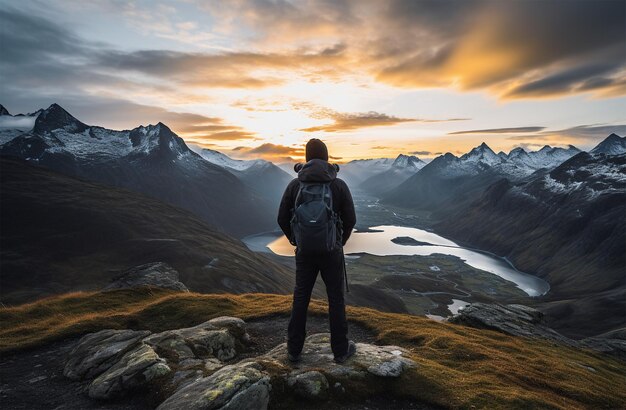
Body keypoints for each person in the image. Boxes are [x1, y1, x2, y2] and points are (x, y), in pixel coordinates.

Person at [277, 138, 357, 364]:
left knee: (301, 297)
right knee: (335, 299)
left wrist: (296, 240)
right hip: (332, 251)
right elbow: (350, 219)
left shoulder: (295, 185)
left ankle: (294, 350)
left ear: (306, 157)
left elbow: (282, 218)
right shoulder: (338, 185)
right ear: (326, 157)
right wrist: (339, 242)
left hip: (305, 253)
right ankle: (340, 351)